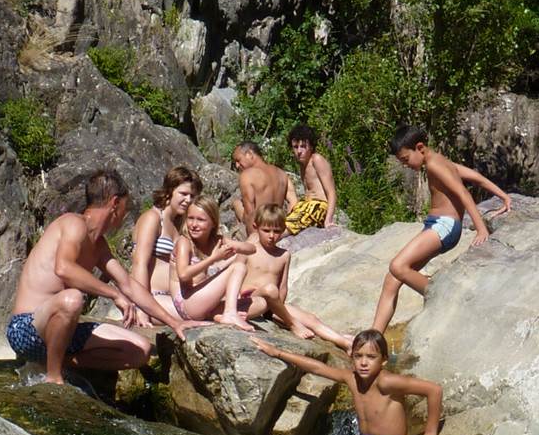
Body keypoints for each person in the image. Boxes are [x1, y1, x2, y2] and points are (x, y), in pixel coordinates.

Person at [6, 170, 202, 385]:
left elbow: (128, 285)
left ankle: (62, 362)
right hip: (26, 328)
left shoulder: (99, 245)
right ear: (115, 203)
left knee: (140, 351)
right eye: (125, 206)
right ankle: (54, 378)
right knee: (72, 299)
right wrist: (114, 295)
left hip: (65, 333)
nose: (126, 213)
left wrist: (174, 323)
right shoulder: (72, 223)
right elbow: (64, 269)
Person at [251, 328, 441, 435]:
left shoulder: (388, 382)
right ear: (351, 357)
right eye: (358, 356)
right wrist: (278, 353)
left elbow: (434, 390)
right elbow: (318, 368)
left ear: (383, 360)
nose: (364, 362)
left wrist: (430, 433)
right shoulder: (352, 378)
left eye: (371, 357)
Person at [371, 125, 511, 332]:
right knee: (392, 279)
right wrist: (504, 196)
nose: (405, 165)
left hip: (445, 226)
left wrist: (481, 229)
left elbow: (463, 193)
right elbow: (475, 177)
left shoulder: (435, 165)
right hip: (436, 225)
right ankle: (373, 338)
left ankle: (442, 296)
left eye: (406, 159)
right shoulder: (439, 161)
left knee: (398, 266)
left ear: (420, 148)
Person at [213, 204, 351, 348]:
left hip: (273, 303)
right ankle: (293, 324)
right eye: (266, 230)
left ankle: (346, 343)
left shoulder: (284, 255)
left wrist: (280, 311)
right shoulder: (249, 250)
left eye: (277, 231)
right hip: (250, 299)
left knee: (311, 319)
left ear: (284, 230)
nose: (271, 236)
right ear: (256, 227)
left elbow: (283, 286)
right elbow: (233, 276)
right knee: (269, 289)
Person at [125, 166, 201, 326]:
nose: (188, 200)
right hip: (152, 297)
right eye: (183, 194)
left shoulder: (177, 223)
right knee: (201, 315)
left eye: (192, 196)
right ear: (170, 190)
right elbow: (139, 263)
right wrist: (142, 309)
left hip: (174, 294)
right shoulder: (152, 218)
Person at [173, 196, 255, 320]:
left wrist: (232, 246)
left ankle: (216, 315)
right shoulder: (184, 242)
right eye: (190, 218)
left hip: (204, 300)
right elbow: (183, 274)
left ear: (213, 223)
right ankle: (230, 313)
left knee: (260, 303)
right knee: (239, 267)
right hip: (187, 304)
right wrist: (213, 258)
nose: (194, 224)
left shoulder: (216, 240)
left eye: (201, 220)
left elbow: (251, 249)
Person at [229, 141, 291, 239]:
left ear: (249, 154)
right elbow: (293, 202)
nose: (237, 165)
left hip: (260, 230)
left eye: (238, 160)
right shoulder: (281, 173)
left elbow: (250, 213)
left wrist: (254, 239)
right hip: (276, 226)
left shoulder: (247, 175)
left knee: (236, 203)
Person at [283, 123, 337, 233]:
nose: (299, 151)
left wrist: (328, 220)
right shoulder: (302, 165)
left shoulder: (316, 159)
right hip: (306, 206)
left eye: (303, 146)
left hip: (318, 207)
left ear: (311, 146)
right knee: (276, 226)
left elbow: (331, 192)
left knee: (285, 229)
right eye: (295, 147)